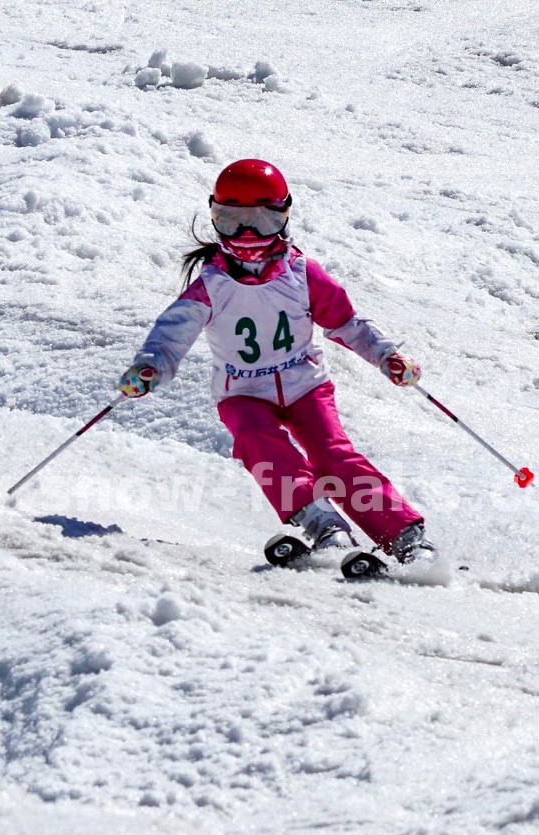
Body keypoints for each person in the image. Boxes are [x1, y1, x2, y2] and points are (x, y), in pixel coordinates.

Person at [117, 158, 434, 564]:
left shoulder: (302, 274)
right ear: (214, 217)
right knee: (257, 442)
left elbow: (347, 323)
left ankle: (404, 535)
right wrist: (150, 367)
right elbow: (170, 335)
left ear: (284, 215)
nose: (247, 234)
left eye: (262, 220)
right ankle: (324, 526)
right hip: (243, 392)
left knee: (332, 455)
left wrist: (386, 356)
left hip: (305, 385)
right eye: (232, 220)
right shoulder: (211, 285)